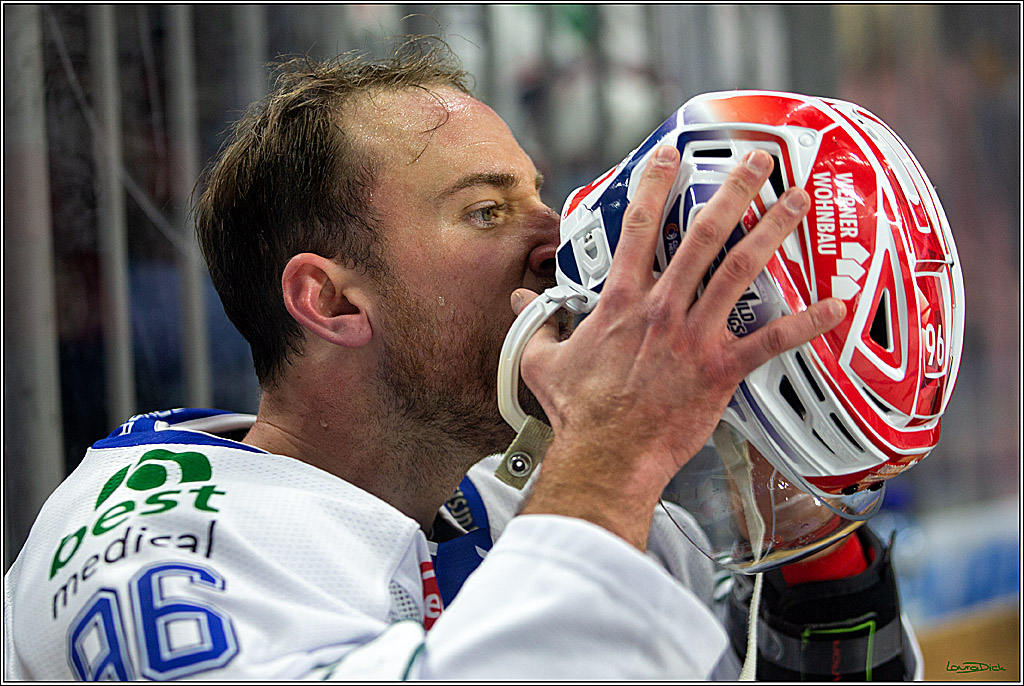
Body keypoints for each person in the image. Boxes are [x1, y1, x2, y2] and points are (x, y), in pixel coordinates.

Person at [5, 40, 924, 680]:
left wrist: (799, 516)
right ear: (330, 301)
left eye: (535, 190)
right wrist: (614, 454)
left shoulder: (539, 495)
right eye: (487, 209)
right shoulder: (143, 552)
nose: (556, 232)